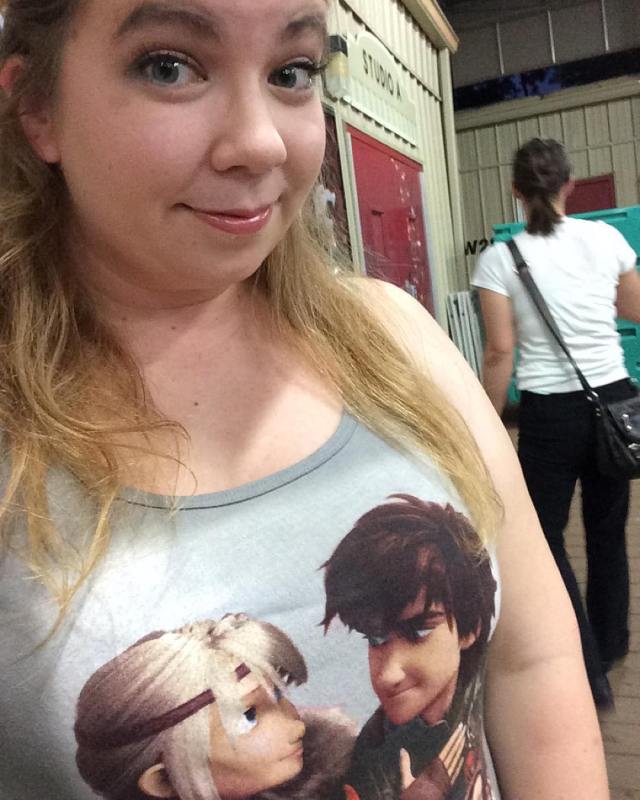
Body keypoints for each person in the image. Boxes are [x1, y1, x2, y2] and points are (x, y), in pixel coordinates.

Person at [0, 4, 608, 800]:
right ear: (38, 107)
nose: (262, 142)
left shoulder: (391, 336)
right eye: (168, 66)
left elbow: (533, 662)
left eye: (292, 72)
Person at [473, 137, 640, 709]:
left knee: (545, 539)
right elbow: (634, 308)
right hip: (614, 403)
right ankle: (612, 643)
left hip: (549, 417)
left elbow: (500, 352)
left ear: (515, 191)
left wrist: (488, 423)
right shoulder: (608, 239)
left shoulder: (499, 260)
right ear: (570, 184)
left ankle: (586, 665)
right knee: (607, 531)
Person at [322, 496, 497, 800]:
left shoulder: (475, 689)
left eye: (418, 632)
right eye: (375, 639)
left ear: (469, 630)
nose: (388, 674)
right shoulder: (372, 761)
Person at [74, 613, 356, 800]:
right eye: (249, 716)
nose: (297, 726)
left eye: (278, 696)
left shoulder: (352, 773)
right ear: (164, 779)